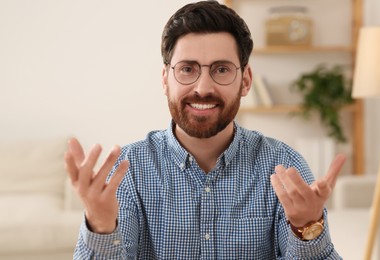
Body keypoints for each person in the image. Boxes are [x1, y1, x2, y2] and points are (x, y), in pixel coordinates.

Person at [65, 1, 346, 259]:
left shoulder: (285, 168)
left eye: (221, 69)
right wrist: (101, 226)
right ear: (165, 80)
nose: (203, 88)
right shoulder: (129, 172)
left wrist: (307, 228)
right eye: (187, 69)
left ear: (245, 80)